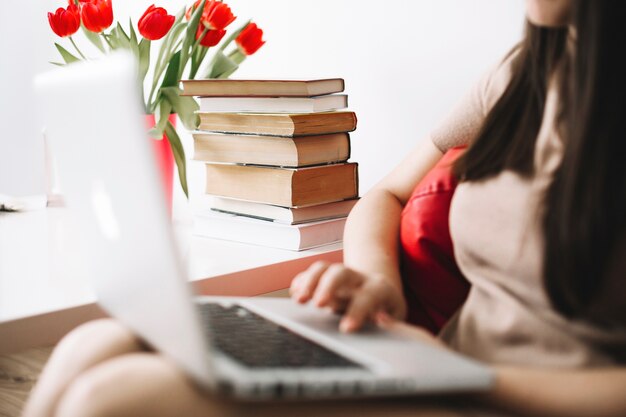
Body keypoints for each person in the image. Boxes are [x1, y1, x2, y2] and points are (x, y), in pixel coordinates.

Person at [22, 0, 626, 416]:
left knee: (117, 400)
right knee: (92, 346)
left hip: (502, 395)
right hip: (441, 365)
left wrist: (477, 378)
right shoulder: (528, 72)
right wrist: (375, 282)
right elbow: (386, 195)